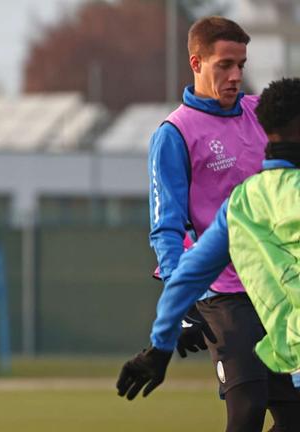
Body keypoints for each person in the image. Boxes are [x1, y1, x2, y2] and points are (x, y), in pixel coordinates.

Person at [139, 16, 300, 431]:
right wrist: (185, 299)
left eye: (241, 65)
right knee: (247, 407)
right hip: (224, 293)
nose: (235, 75)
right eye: (224, 65)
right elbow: (167, 228)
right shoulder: (175, 134)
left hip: (277, 287)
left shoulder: (261, 113)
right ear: (196, 63)